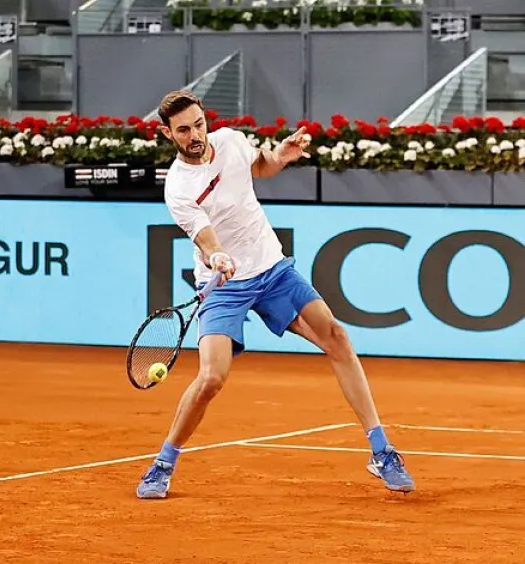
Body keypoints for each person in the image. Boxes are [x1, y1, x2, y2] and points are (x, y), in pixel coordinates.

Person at [135, 90, 415, 499]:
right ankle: (164, 462)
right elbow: (205, 235)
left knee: (335, 336)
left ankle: (381, 451)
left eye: (198, 124)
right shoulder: (178, 187)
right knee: (212, 377)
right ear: (168, 134)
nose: (195, 134)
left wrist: (280, 156)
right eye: (184, 130)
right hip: (225, 285)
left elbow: (259, 165)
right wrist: (217, 257)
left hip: (272, 268)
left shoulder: (230, 140)